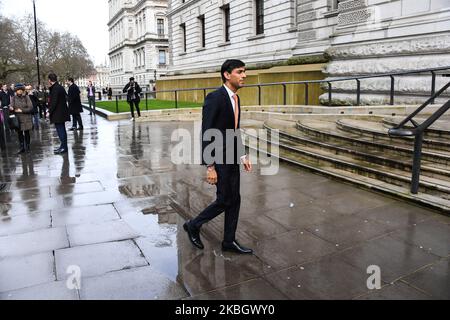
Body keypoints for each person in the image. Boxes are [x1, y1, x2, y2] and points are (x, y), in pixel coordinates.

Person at [183, 60, 253, 255]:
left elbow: (234, 130)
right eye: (240, 72)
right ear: (226, 75)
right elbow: (207, 132)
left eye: (244, 72)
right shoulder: (215, 98)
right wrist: (210, 166)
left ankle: (229, 241)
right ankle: (193, 225)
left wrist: (242, 154)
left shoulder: (236, 99)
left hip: (231, 154)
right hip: (219, 157)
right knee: (224, 200)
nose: (244, 76)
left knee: (235, 199)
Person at [48, 73, 71, 154]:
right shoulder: (60, 87)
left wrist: (49, 111)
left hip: (58, 113)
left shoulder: (55, 88)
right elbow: (66, 97)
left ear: (50, 80)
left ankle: (64, 147)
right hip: (62, 112)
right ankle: (63, 146)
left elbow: (53, 102)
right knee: (62, 130)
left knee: (61, 130)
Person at [9, 84, 33, 154]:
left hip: (26, 118)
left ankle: (28, 147)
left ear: (22, 90)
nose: (19, 91)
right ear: (16, 91)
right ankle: (22, 147)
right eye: (18, 90)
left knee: (26, 133)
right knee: (19, 134)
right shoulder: (13, 98)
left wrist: (22, 110)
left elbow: (30, 107)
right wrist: (11, 108)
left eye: (21, 90)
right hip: (18, 119)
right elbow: (11, 106)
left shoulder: (26, 97)